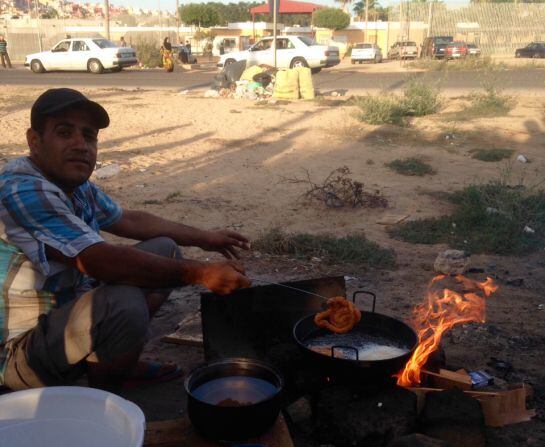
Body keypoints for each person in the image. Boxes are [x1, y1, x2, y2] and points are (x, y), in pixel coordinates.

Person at [0, 88, 251, 391]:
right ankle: (98, 399)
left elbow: (128, 220)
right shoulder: (22, 189)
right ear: (34, 141)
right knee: (123, 304)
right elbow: (96, 260)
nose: (80, 145)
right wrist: (200, 273)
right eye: (65, 132)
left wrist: (205, 238)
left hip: (64, 318)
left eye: (89, 136)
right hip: (18, 352)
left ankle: (118, 361)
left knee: (166, 249)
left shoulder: (73, 183)